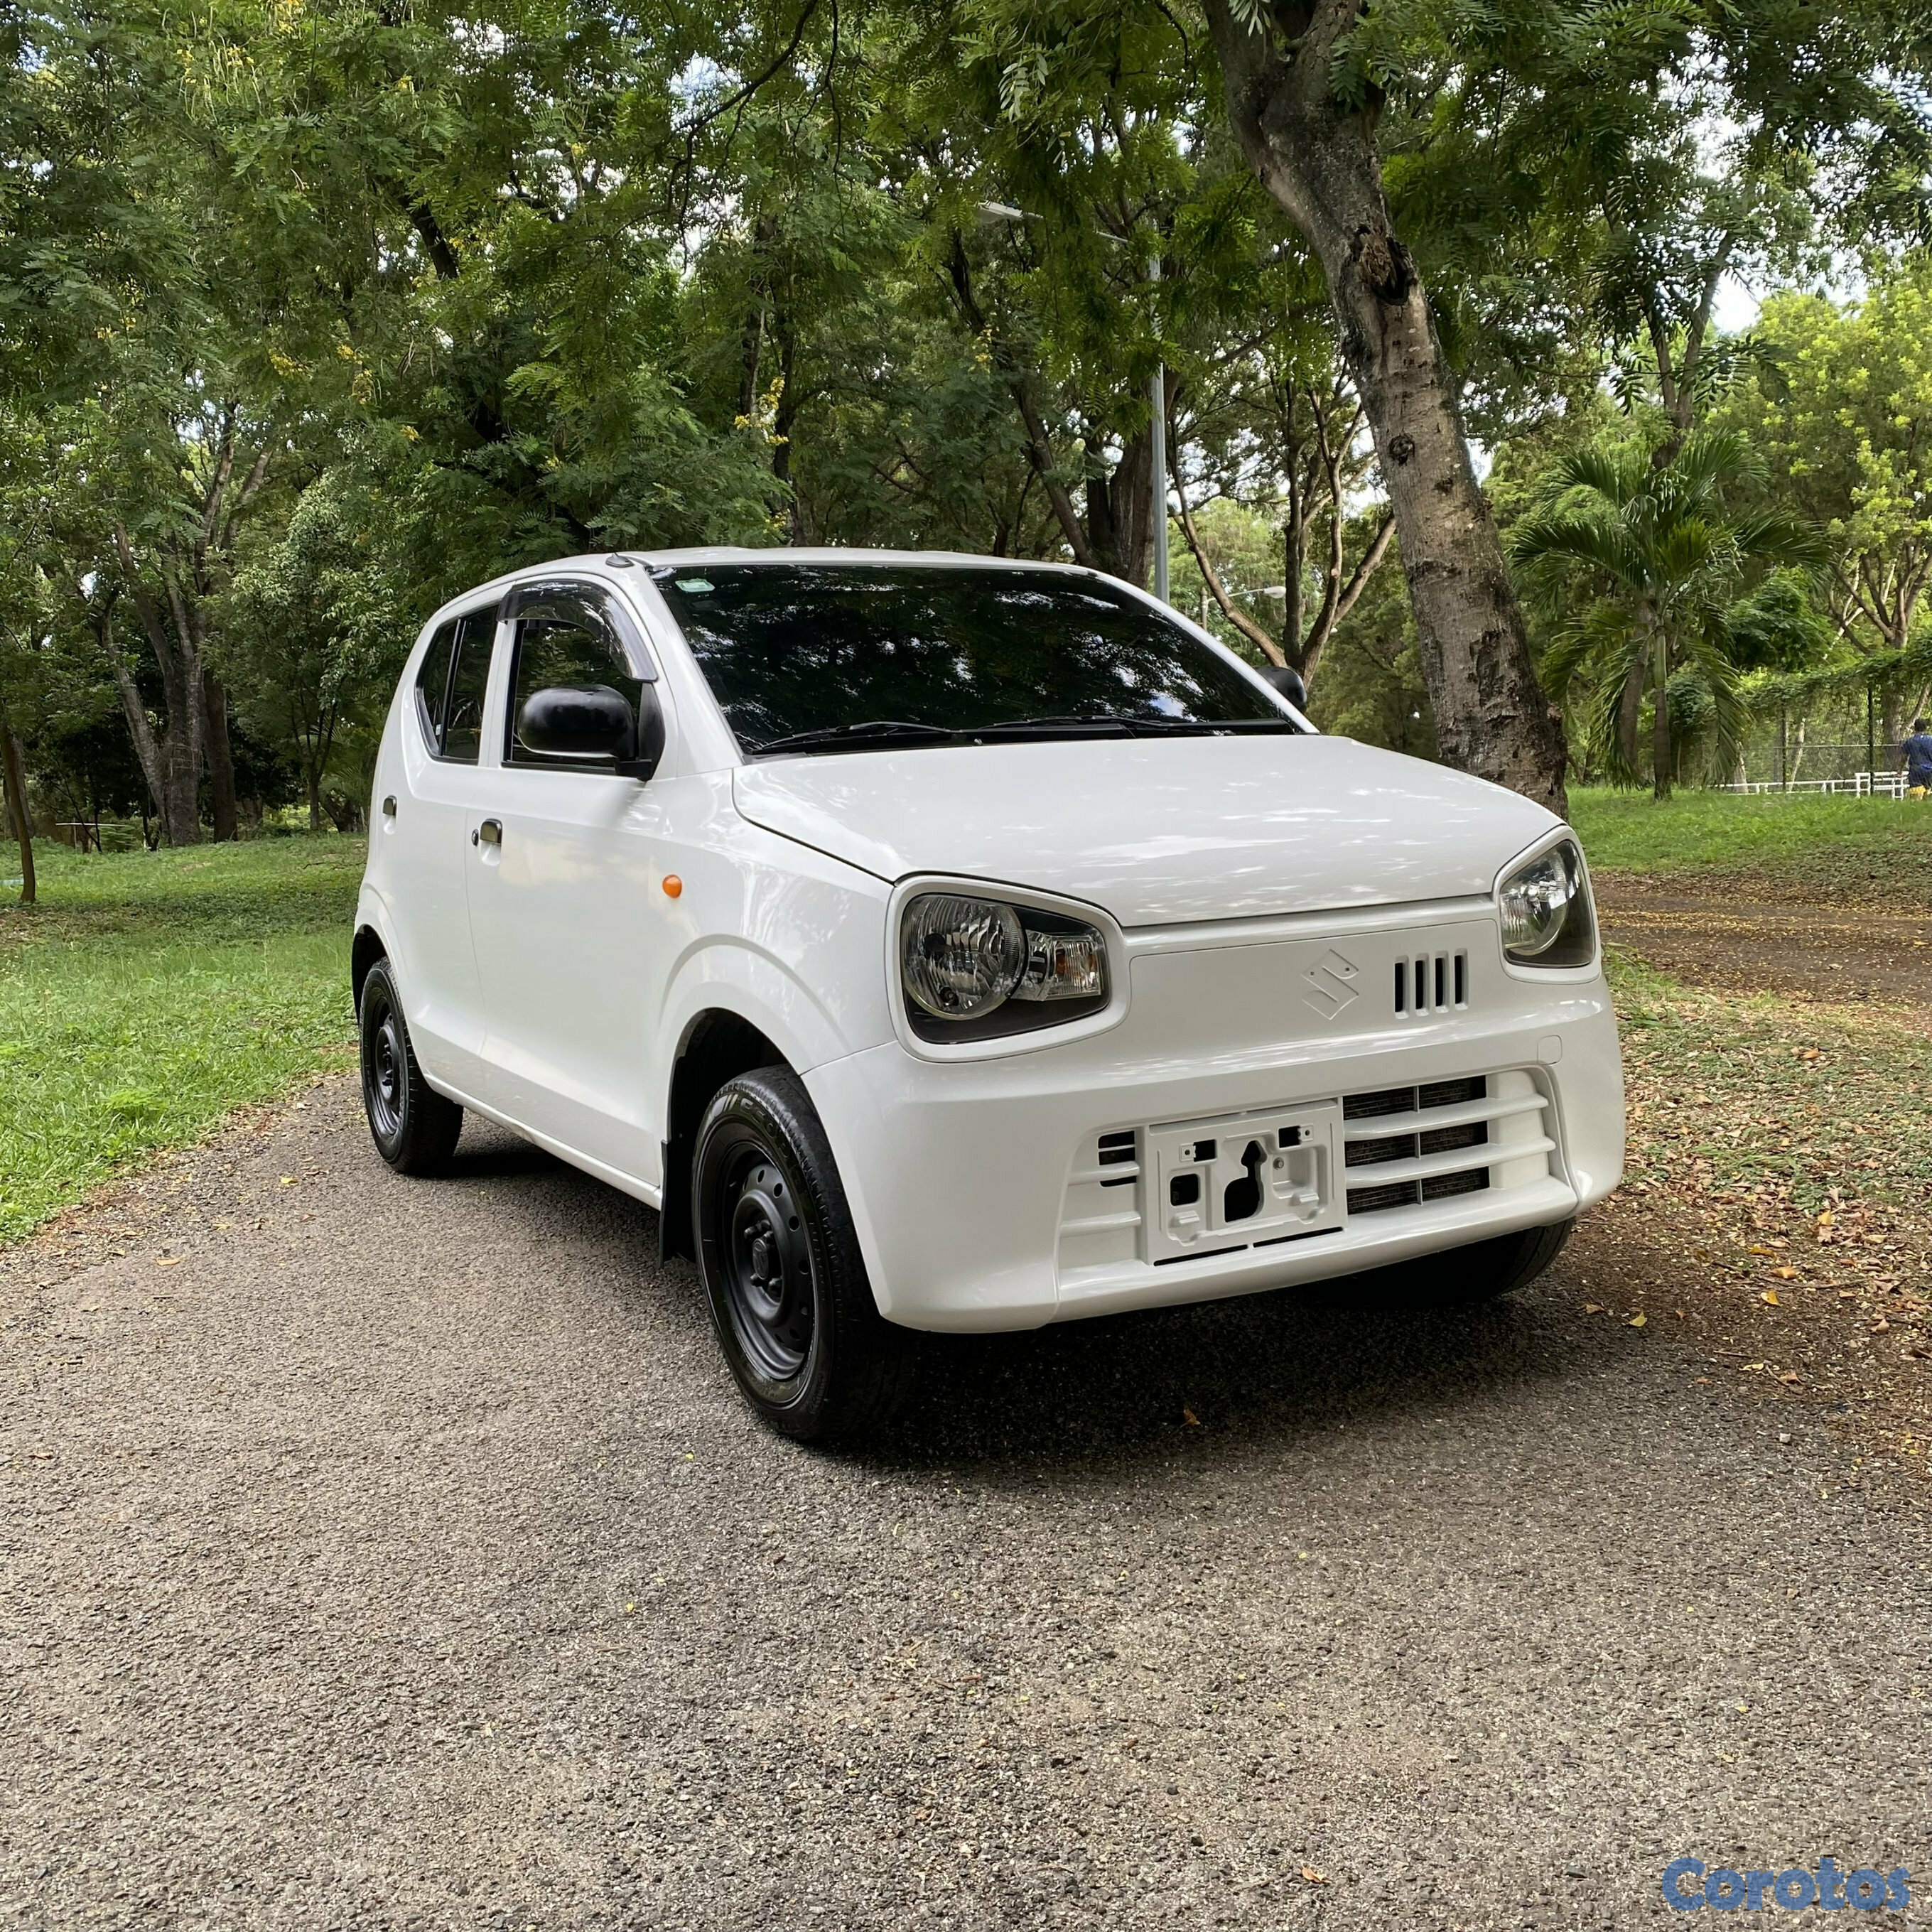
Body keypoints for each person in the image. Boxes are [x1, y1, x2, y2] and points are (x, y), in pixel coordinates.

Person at [1901, 716, 1932, 799]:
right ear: (1925, 728)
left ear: (1915, 728)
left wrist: (1899, 770)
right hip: (1929, 771)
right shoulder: (1930, 740)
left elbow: (1904, 757)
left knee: (1916, 799)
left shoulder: (1910, 741)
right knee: (1928, 797)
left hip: (1916, 771)